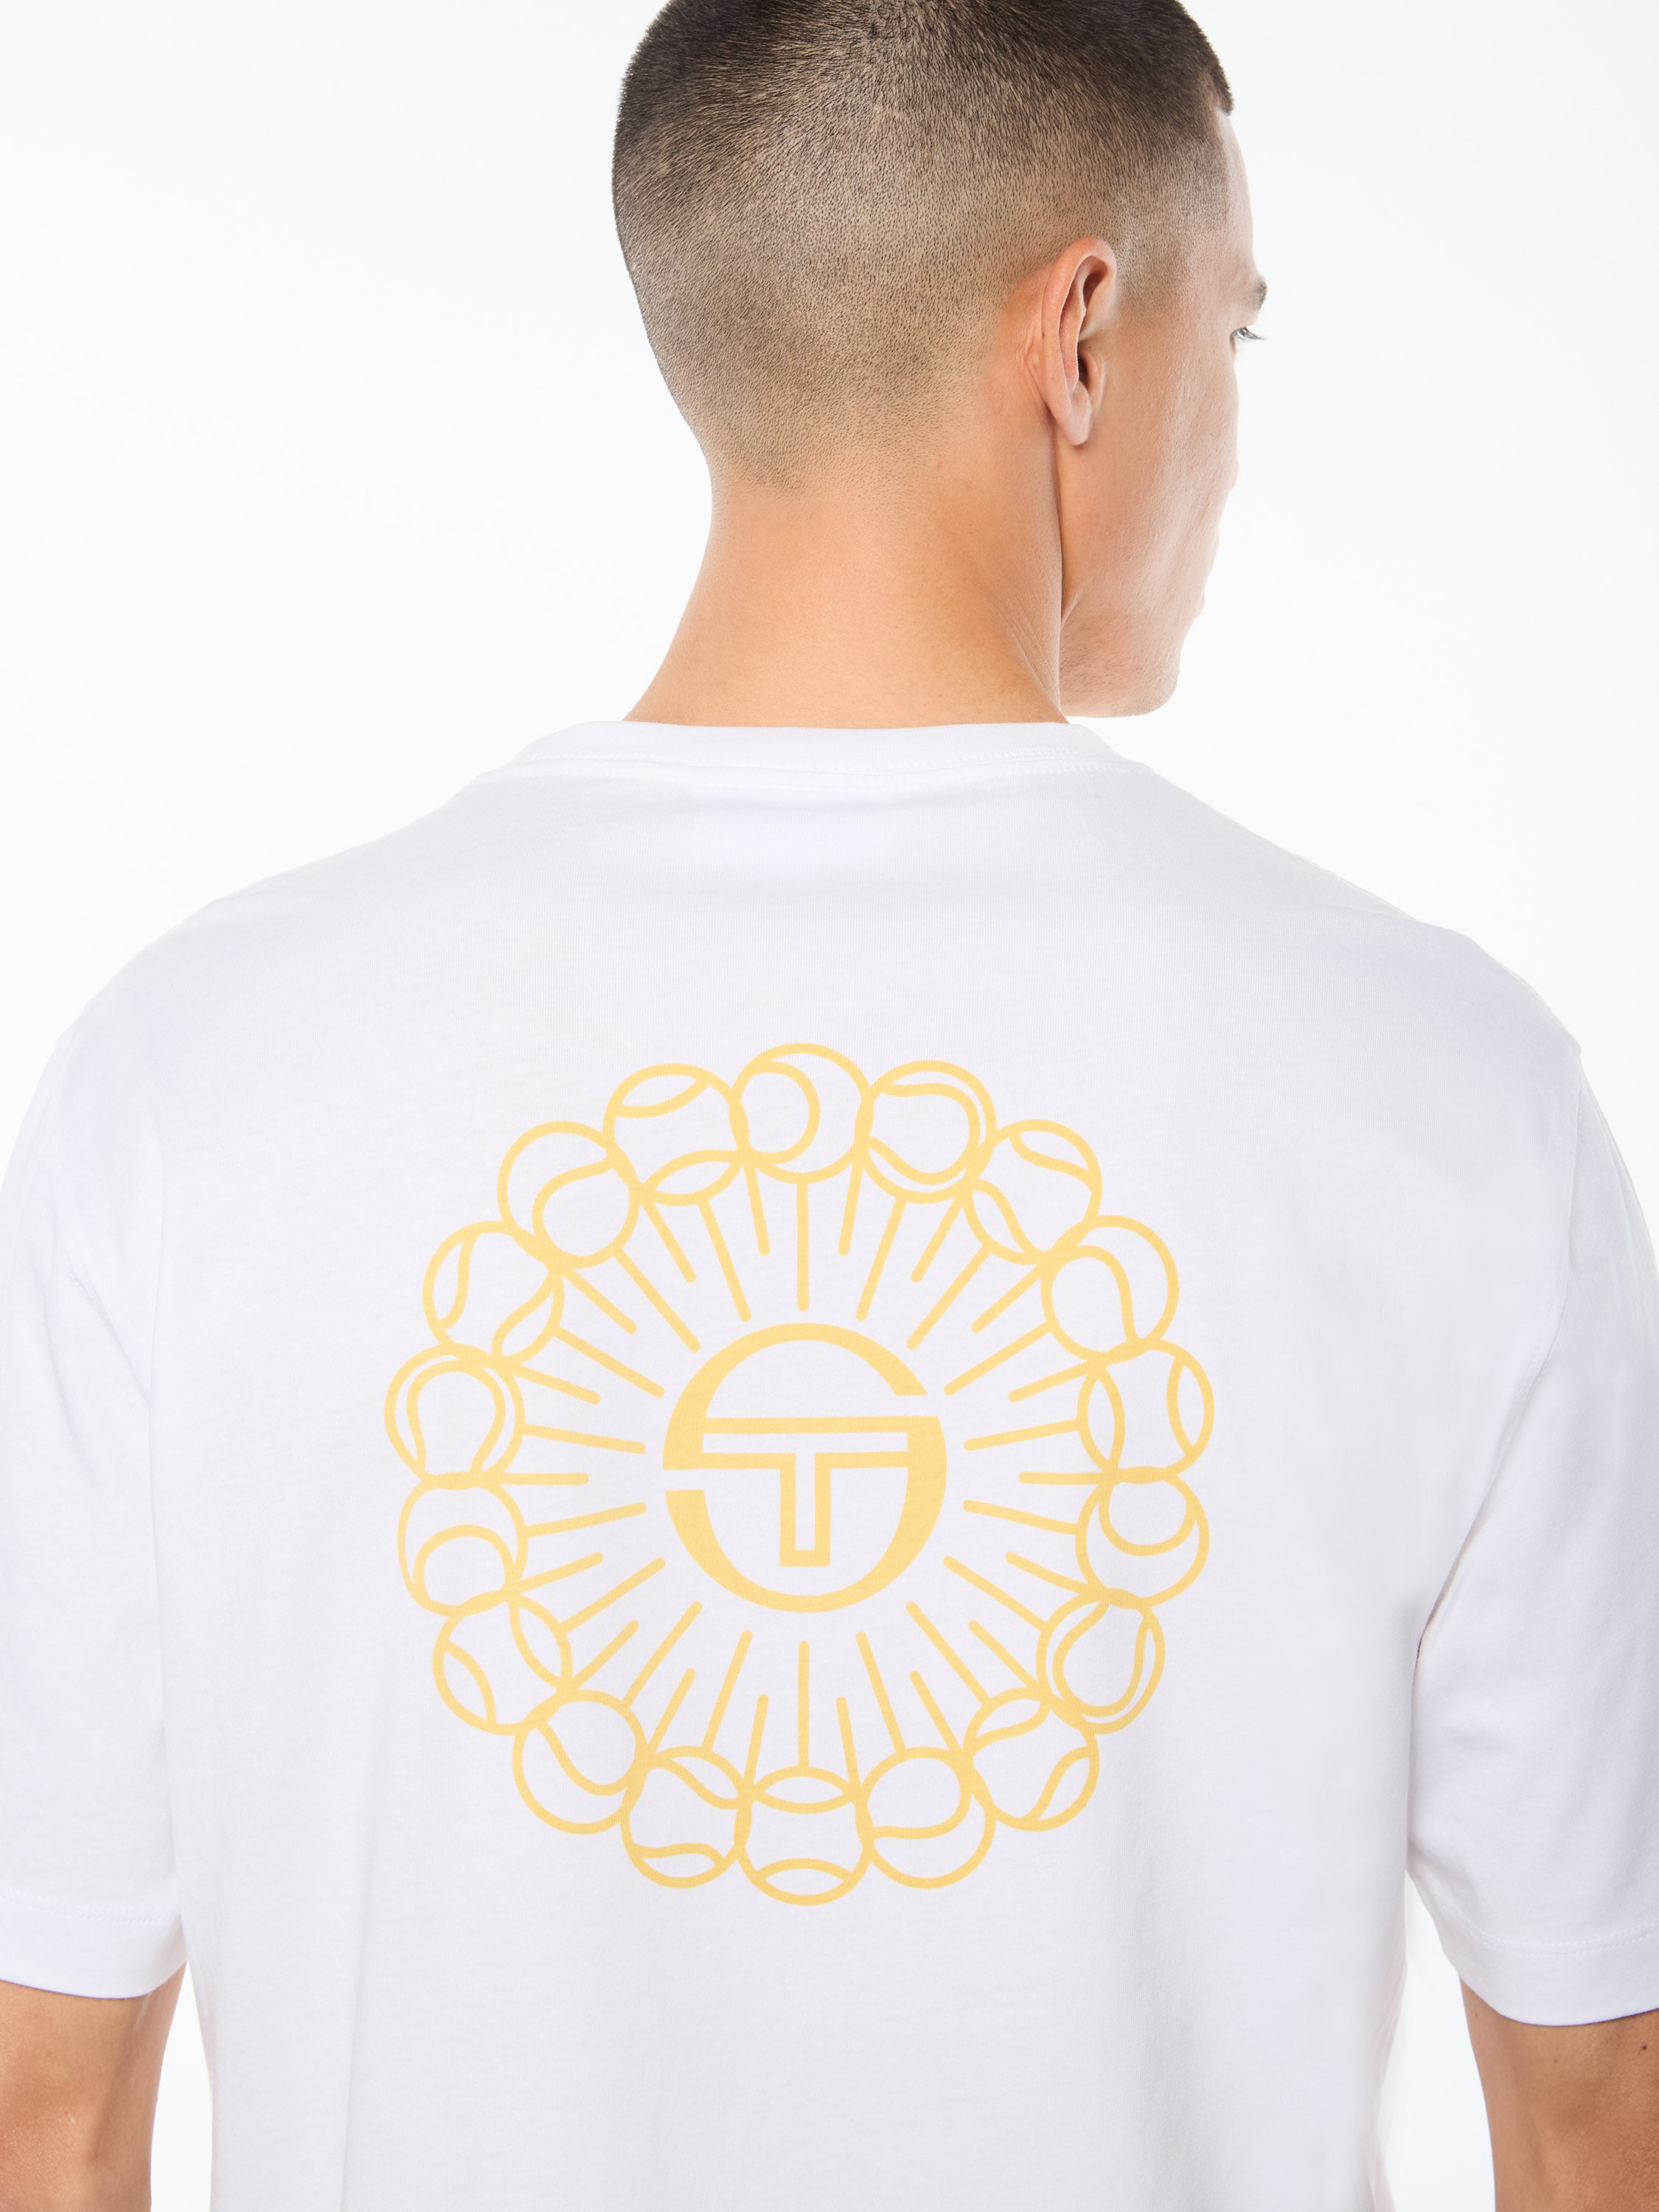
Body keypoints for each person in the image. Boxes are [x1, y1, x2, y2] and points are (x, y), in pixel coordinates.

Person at [1, 0, 1655, 2204]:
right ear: (1081, 337)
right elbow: (1596, 2097)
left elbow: (43, 2093)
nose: (1235, 433)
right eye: (1234, 335)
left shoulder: (186, 1076)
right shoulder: (1452, 1098)